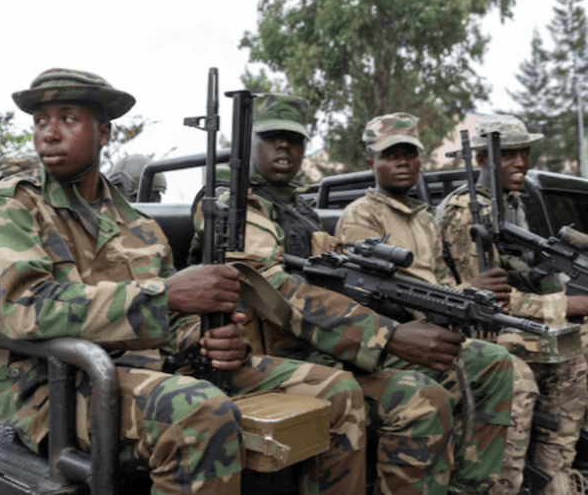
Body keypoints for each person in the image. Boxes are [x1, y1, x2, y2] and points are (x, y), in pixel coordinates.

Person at [0, 69, 370, 495]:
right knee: (199, 412)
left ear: (104, 132)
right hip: (57, 388)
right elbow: (22, 309)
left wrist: (208, 341)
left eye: (67, 119)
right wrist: (165, 297)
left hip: (150, 369)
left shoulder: (138, 224)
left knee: (337, 391)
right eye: (41, 122)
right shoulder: (16, 206)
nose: (49, 134)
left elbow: (177, 319)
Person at [191, 94, 464, 495]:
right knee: (402, 397)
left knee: (445, 381)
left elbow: (339, 281)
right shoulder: (231, 206)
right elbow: (274, 288)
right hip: (248, 358)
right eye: (273, 137)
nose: (285, 147)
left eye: (295, 139)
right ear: (248, 145)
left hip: (309, 348)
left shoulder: (301, 210)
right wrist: (388, 334)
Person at [335, 112, 524, 495]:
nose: (403, 162)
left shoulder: (423, 219)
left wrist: (470, 295)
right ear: (370, 161)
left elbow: (440, 281)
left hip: (434, 328)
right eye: (391, 155)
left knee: (498, 362)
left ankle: (471, 485)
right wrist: (461, 292)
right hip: (390, 337)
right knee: (481, 371)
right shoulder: (361, 216)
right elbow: (376, 293)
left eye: (410, 153)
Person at [436, 114, 588, 495]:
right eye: (510, 154)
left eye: (525, 152)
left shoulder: (511, 205)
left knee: (579, 345)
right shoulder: (468, 211)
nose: (522, 162)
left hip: (509, 325)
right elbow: (488, 299)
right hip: (474, 329)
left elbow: (524, 279)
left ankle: (555, 474)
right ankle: (510, 484)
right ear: (485, 160)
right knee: (564, 358)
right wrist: (564, 306)